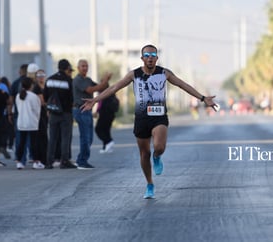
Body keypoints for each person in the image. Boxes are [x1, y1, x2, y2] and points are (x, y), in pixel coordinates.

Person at [81, 44, 218, 199]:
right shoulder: (134, 75)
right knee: (144, 154)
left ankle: (157, 156)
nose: (150, 58)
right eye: (147, 55)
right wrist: (95, 100)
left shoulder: (164, 73)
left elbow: (182, 85)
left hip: (159, 116)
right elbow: (114, 88)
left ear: (157, 58)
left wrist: (202, 98)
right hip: (141, 118)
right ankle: (149, 184)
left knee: (158, 147)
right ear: (142, 58)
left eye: (153, 55)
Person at [72, 59, 112, 169]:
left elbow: (102, 87)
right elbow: (91, 90)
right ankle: (81, 161)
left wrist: (105, 80)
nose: (85, 68)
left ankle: (81, 159)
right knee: (85, 137)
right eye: (83, 66)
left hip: (87, 110)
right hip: (81, 110)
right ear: (78, 68)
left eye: (86, 66)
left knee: (89, 138)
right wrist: (104, 82)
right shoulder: (78, 80)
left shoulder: (88, 79)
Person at [43, 59, 77, 169]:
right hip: (66, 113)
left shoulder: (49, 80)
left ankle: (49, 161)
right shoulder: (68, 81)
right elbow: (73, 97)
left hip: (53, 113)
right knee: (65, 138)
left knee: (52, 138)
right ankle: (64, 161)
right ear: (67, 68)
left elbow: (45, 96)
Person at [15, 77, 43, 169]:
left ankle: (19, 162)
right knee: (34, 143)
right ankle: (36, 161)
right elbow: (37, 110)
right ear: (31, 85)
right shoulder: (33, 96)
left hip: (21, 122)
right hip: (32, 122)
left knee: (21, 143)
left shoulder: (18, 96)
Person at [95, 85, 119, 154]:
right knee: (106, 131)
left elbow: (100, 104)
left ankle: (109, 141)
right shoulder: (111, 93)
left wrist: (97, 111)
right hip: (111, 115)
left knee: (98, 129)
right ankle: (106, 147)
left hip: (104, 114)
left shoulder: (103, 94)